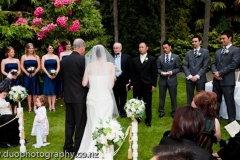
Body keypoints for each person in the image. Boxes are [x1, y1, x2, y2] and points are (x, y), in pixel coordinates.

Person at [76, 44, 119, 159]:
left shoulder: (89, 66)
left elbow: (84, 83)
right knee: (105, 124)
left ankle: (90, 147)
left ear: (94, 55)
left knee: (92, 123)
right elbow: (111, 85)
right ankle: (105, 150)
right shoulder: (110, 66)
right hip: (105, 98)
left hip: (93, 98)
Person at [60, 38, 88, 154]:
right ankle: (78, 148)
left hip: (68, 96)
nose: (84, 50)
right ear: (81, 47)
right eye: (84, 48)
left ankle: (67, 147)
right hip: (80, 96)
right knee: (80, 123)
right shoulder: (83, 60)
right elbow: (86, 80)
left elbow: (61, 79)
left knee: (69, 122)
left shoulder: (64, 61)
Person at [211, 30, 240, 123]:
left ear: (230, 38)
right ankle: (215, 119)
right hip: (216, 81)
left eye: (223, 38)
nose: (221, 40)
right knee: (215, 101)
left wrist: (220, 73)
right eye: (221, 39)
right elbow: (213, 63)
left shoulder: (236, 50)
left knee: (229, 102)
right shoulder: (218, 51)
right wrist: (215, 73)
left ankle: (232, 121)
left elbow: (234, 64)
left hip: (227, 81)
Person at [130, 42, 158, 127]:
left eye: (142, 47)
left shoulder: (152, 59)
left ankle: (148, 119)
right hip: (137, 84)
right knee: (137, 103)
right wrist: (132, 84)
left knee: (147, 103)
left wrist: (153, 84)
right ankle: (137, 118)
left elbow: (154, 73)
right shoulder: (135, 60)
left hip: (147, 84)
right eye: (139, 47)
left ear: (147, 48)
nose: (140, 49)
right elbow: (132, 73)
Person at [183, 36, 209, 104]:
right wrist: (189, 76)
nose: (194, 43)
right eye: (192, 41)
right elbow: (185, 66)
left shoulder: (205, 52)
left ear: (200, 42)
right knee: (189, 97)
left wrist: (197, 76)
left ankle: (200, 112)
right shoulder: (188, 53)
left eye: (195, 41)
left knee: (201, 97)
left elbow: (205, 66)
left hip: (200, 79)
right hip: (190, 79)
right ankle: (190, 111)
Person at [157, 41, 180, 118]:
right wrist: (161, 73)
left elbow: (178, 68)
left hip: (172, 80)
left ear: (170, 47)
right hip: (162, 80)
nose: (165, 49)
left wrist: (172, 72)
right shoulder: (160, 58)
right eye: (163, 48)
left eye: (166, 48)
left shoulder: (176, 57)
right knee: (161, 97)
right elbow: (158, 69)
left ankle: (174, 112)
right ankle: (161, 111)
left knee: (173, 97)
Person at [112, 42, 132, 118]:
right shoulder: (111, 57)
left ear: (120, 48)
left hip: (123, 79)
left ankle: (123, 111)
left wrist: (130, 80)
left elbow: (130, 69)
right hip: (114, 80)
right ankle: (116, 110)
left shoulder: (126, 57)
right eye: (114, 48)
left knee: (123, 96)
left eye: (117, 48)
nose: (115, 50)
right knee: (115, 96)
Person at [20, 43, 41, 112]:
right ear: (27, 49)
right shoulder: (23, 57)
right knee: (28, 91)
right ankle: (29, 106)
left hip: (34, 76)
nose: (31, 49)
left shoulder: (36, 57)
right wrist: (27, 73)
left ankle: (35, 105)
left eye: (32, 48)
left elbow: (39, 66)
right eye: (29, 48)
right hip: (27, 76)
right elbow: (21, 66)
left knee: (34, 91)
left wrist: (34, 73)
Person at [1, 46, 21, 114]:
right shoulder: (4, 61)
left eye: (14, 52)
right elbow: (2, 71)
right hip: (8, 80)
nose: (13, 53)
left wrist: (16, 75)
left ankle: (15, 109)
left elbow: (19, 70)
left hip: (16, 79)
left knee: (16, 93)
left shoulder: (17, 60)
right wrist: (9, 76)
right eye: (12, 52)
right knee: (8, 93)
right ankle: (9, 109)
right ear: (8, 53)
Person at [41, 44, 60, 112]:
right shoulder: (44, 57)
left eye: (52, 48)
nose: (51, 49)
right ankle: (49, 105)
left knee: (53, 91)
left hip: (55, 75)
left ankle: (53, 106)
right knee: (49, 91)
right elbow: (43, 67)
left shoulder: (56, 57)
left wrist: (55, 74)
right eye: (50, 48)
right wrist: (48, 74)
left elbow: (58, 66)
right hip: (47, 75)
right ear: (47, 49)